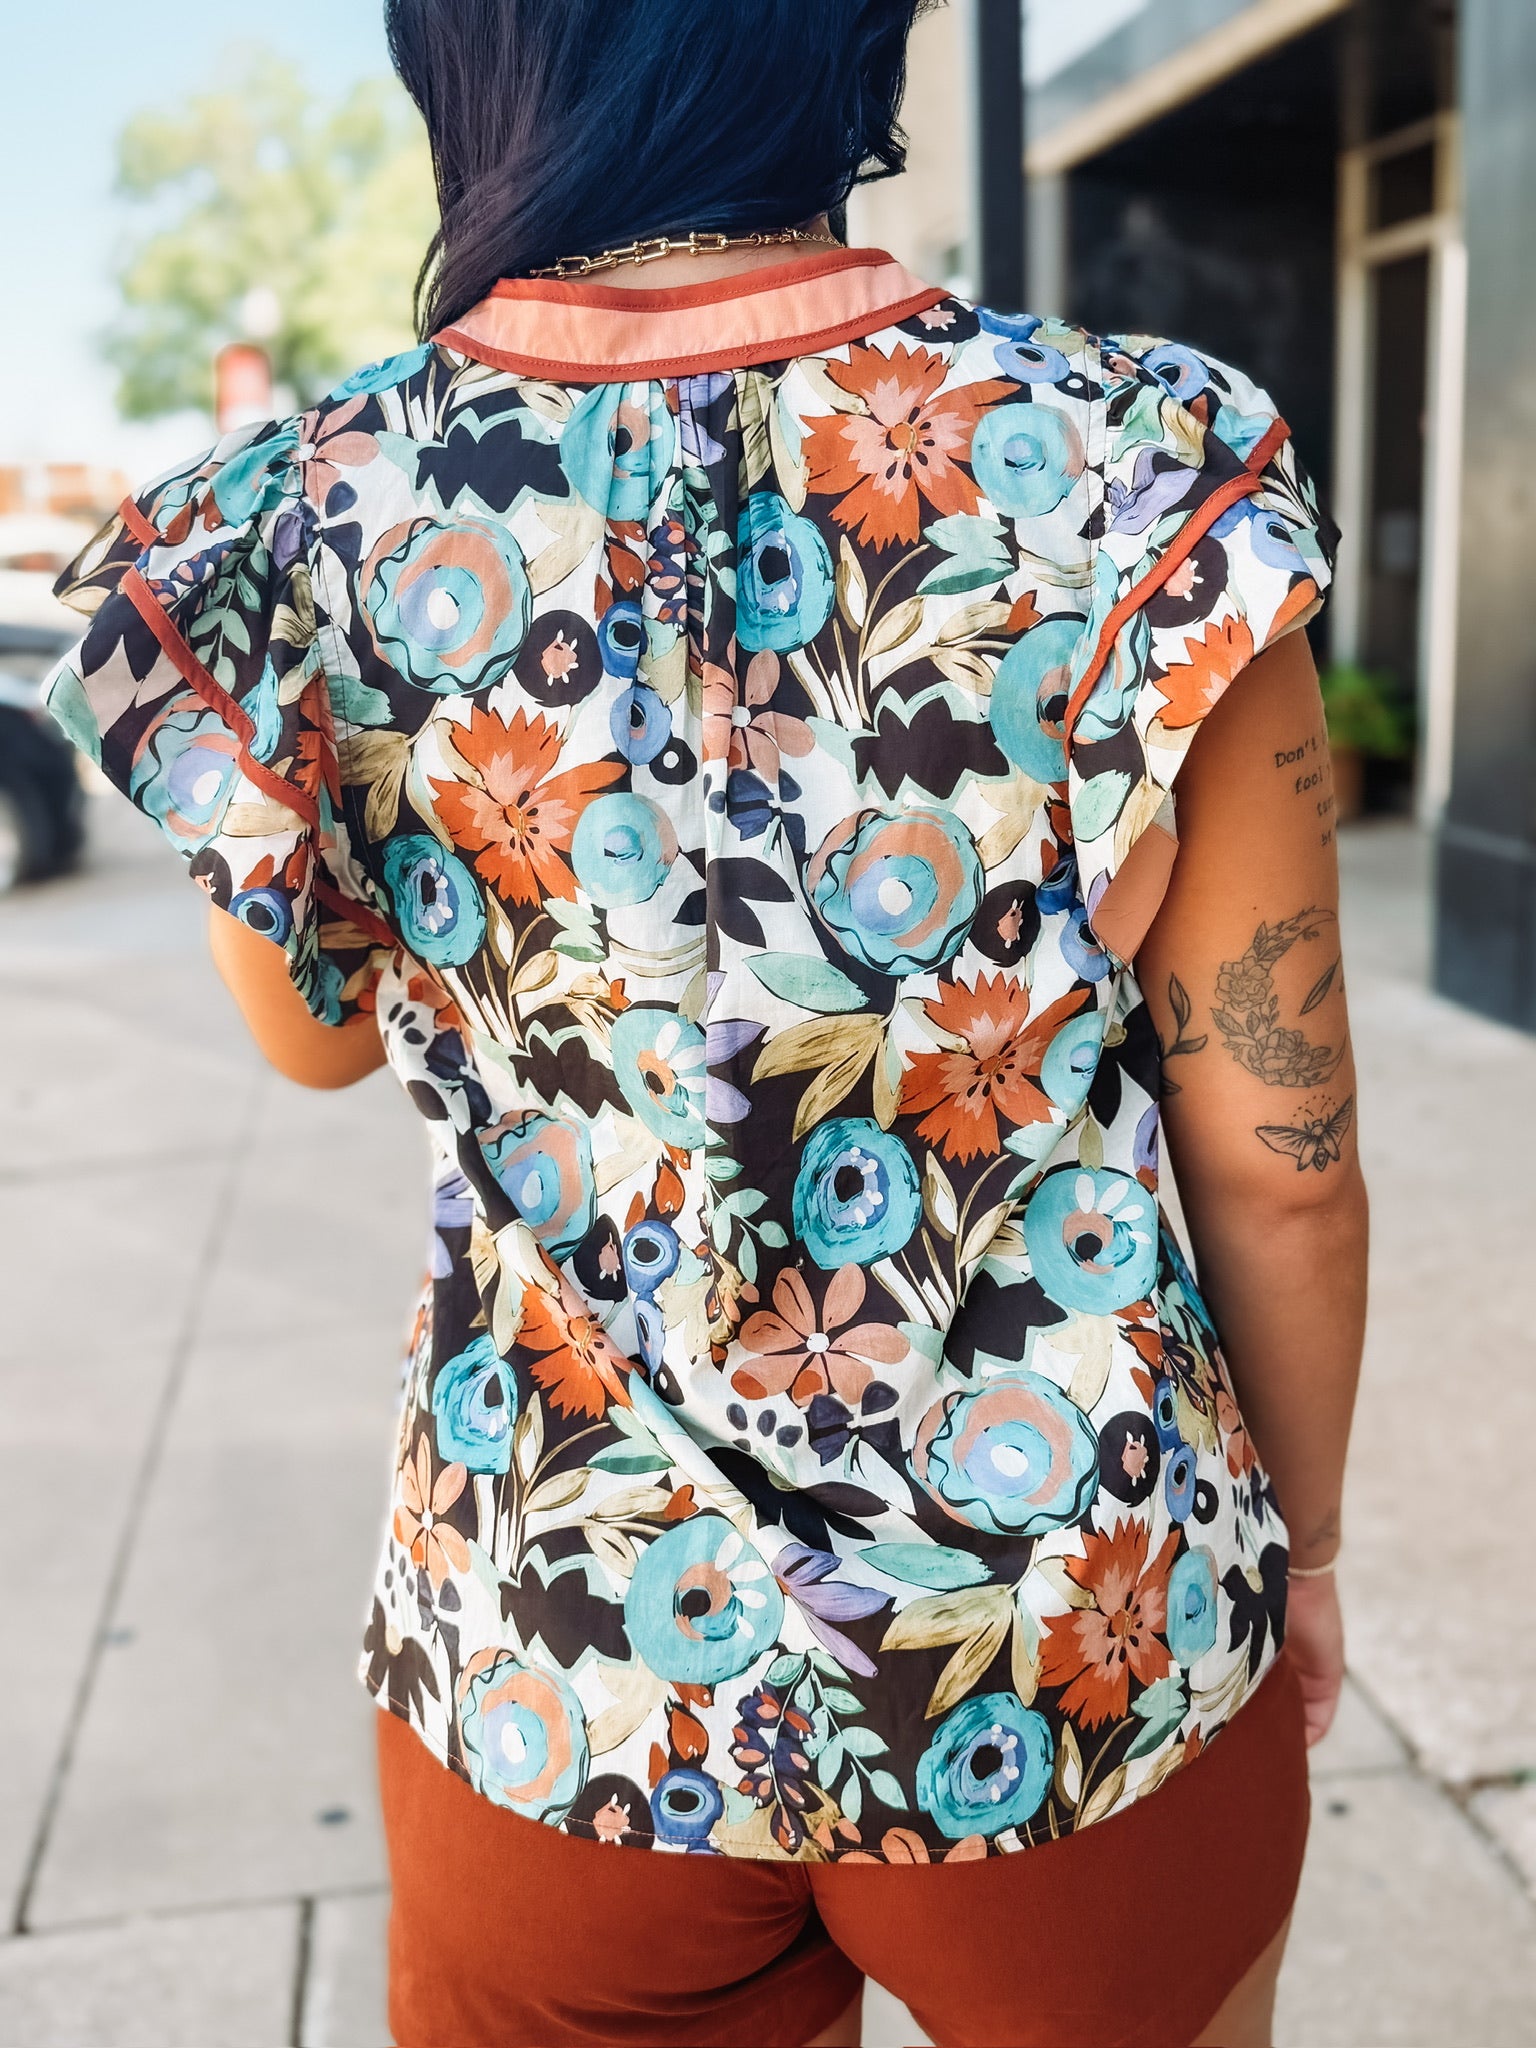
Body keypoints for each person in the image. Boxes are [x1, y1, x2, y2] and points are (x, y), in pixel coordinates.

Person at [46, 3, 1366, 2043]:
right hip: (1069, 1634)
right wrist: (1303, 1543)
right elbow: (1289, 1168)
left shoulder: (292, 523)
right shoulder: (1140, 463)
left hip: (565, 1663)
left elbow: (314, 1036)